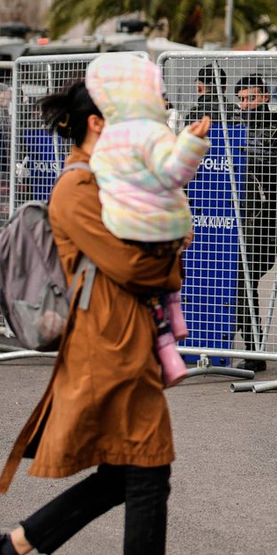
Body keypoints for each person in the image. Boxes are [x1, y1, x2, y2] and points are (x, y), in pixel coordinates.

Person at [0, 73, 218, 555]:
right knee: (148, 465)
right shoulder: (77, 189)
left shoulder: (106, 181)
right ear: (98, 124)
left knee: (124, 474)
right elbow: (132, 267)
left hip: (120, 339)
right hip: (107, 344)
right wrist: (173, 255)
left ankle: (4, 552)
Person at [85, 53, 211, 385]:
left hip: (123, 228)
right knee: (163, 283)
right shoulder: (151, 133)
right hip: (161, 226)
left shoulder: (108, 138)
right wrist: (192, 143)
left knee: (149, 297)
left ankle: (169, 339)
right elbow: (173, 173)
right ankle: (173, 340)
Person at [230, 73, 277, 372]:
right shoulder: (232, 127)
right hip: (236, 219)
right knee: (236, 282)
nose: (246, 105)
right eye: (242, 99)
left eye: (252, 98)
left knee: (246, 280)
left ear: (266, 97)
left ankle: (254, 349)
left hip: (266, 221)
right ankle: (246, 346)